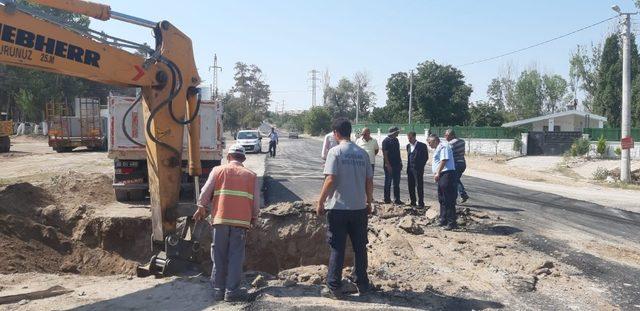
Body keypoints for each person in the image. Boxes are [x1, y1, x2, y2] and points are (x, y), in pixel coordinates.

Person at [194, 144, 260, 302]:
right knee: (236, 257)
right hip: (241, 222)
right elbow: (256, 201)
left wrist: (201, 206)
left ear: (229, 156)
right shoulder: (251, 175)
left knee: (219, 255)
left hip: (220, 220)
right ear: (243, 159)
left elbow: (205, 191)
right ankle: (232, 292)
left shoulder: (218, 170)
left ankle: (218, 290)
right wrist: (255, 216)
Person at [317, 118, 373, 299]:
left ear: (336, 133)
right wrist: (369, 202)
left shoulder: (335, 152)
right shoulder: (363, 153)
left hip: (339, 208)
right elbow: (369, 181)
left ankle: (334, 286)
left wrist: (320, 202)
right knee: (360, 247)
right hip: (359, 208)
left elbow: (330, 179)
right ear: (350, 132)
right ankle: (363, 284)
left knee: (337, 248)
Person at [427, 134, 458, 230]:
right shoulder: (437, 148)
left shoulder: (444, 146)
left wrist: (438, 173)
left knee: (448, 199)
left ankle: (451, 222)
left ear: (435, 140)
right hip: (441, 175)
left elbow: (444, 160)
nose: (429, 145)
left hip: (447, 174)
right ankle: (443, 219)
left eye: (430, 142)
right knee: (442, 199)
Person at [445, 129, 469, 203]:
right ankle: (463, 194)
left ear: (452, 135)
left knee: (453, 181)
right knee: (456, 180)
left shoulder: (450, 144)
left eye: (446, 135)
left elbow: (448, 155)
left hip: (455, 164)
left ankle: (454, 199)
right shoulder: (462, 141)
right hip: (462, 163)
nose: (445, 136)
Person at [406, 131, 428, 208]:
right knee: (410, 186)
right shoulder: (408, 146)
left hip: (418, 170)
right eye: (408, 138)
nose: (409, 140)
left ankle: (421, 203)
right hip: (410, 169)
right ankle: (413, 202)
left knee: (419, 186)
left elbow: (425, 157)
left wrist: (420, 167)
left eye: (410, 138)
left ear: (415, 137)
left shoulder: (422, 146)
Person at [382, 126, 403, 204]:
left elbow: (398, 152)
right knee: (388, 182)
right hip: (389, 165)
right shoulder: (386, 141)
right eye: (397, 132)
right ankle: (387, 199)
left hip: (397, 164)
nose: (398, 133)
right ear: (393, 132)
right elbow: (385, 154)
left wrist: (400, 162)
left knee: (396, 183)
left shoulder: (396, 140)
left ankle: (397, 199)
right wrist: (388, 165)